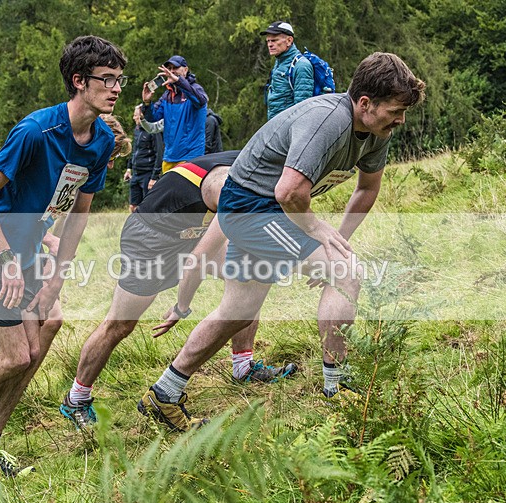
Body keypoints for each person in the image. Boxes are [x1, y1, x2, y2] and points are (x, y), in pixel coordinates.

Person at [138, 52, 426, 431]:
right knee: (345, 272)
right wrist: (319, 235)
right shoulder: (328, 120)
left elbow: (367, 189)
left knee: (238, 310)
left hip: (266, 207)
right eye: (396, 110)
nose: (401, 120)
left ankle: (164, 392)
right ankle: (337, 389)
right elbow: (290, 191)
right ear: (365, 103)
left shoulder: (377, 131)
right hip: (251, 207)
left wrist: (336, 238)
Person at [0, 35, 127, 476]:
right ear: (78, 81)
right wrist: (6, 260)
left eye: (119, 80)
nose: (115, 88)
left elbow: (77, 215)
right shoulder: (36, 132)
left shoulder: (102, 141)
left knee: (48, 324)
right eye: (106, 80)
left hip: (30, 244)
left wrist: (57, 275)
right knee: (17, 354)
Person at [60, 151, 298, 430]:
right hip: (151, 236)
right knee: (120, 324)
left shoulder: (267, 168)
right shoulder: (229, 184)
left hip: (194, 228)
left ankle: (243, 366)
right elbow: (197, 259)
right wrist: (181, 307)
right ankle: (76, 399)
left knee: (250, 275)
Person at [142, 55, 208, 173]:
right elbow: (153, 118)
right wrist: (147, 103)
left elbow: (200, 101)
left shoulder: (196, 89)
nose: (172, 71)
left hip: (191, 156)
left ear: (185, 70)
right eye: (170, 68)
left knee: (186, 191)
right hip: (169, 156)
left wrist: (179, 82)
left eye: (175, 68)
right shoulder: (167, 95)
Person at [262, 21, 314, 120]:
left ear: (289, 40)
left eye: (274, 40)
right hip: (275, 126)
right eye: (268, 41)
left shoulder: (301, 65)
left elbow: (301, 110)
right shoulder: (280, 61)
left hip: (288, 130)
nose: (270, 44)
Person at [124, 105, 163, 212]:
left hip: (148, 174)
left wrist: (154, 177)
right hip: (136, 174)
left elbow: (159, 154)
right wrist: (129, 169)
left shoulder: (153, 131)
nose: (133, 118)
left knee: (148, 207)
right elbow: (134, 151)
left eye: (135, 115)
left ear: (142, 115)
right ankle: (136, 228)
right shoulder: (137, 130)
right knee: (133, 206)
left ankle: (150, 228)